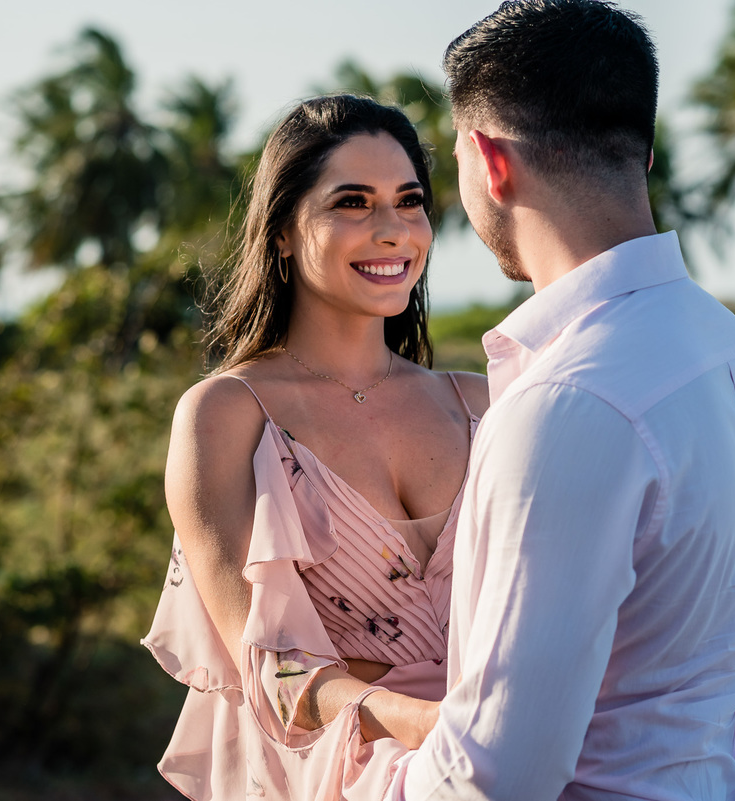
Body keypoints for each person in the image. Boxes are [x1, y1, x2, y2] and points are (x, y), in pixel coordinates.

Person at [385, 2, 735, 800]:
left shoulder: (568, 402)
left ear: (489, 160)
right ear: (645, 150)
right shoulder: (733, 351)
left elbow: (493, 778)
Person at [142, 94, 489, 800]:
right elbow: (272, 668)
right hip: (344, 777)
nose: (393, 230)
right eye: (352, 203)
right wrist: (430, 727)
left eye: (410, 201)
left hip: (508, 765)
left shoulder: (481, 402)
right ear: (281, 233)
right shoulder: (227, 415)